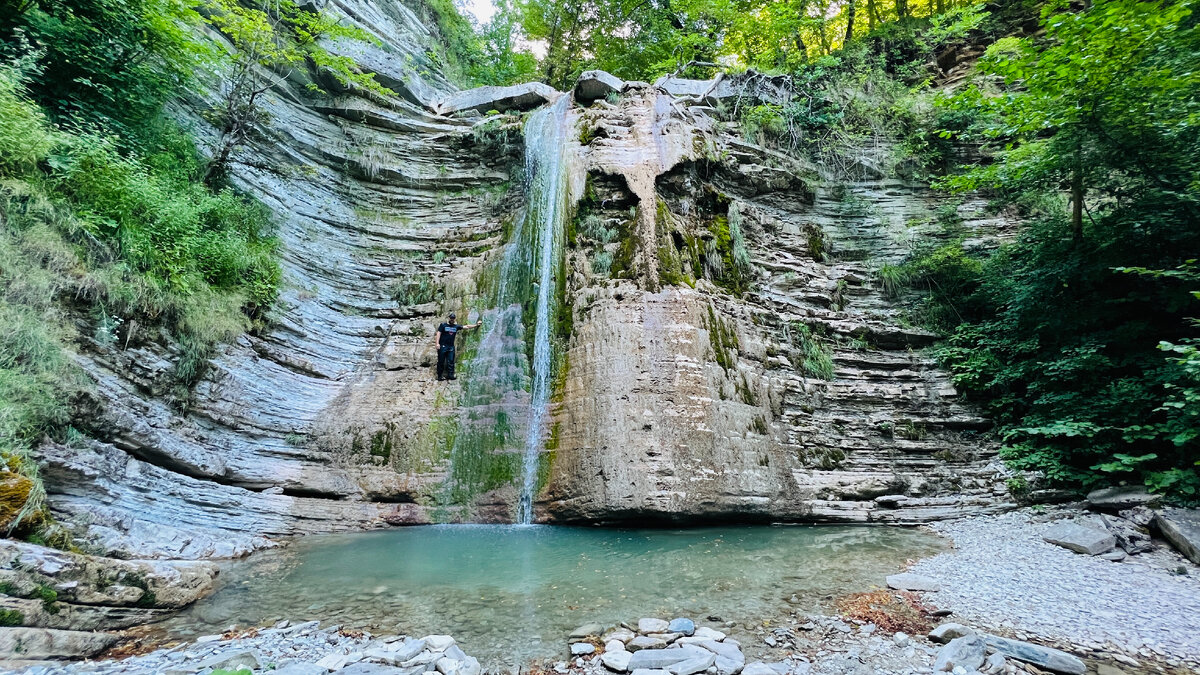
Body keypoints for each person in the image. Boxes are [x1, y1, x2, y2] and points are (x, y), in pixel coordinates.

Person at [434, 312, 481, 381]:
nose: (452, 319)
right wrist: (437, 343)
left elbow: (466, 326)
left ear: (455, 319)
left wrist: (476, 325)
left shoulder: (456, 326)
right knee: (441, 361)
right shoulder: (443, 325)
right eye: (451, 318)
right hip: (443, 346)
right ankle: (440, 376)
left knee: (451, 361)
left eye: (453, 318)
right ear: (449, 318)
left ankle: (450, 375)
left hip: (451, 347)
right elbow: (439, 333)